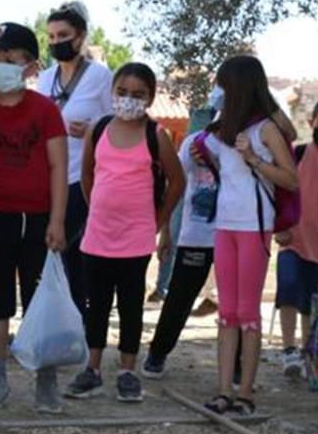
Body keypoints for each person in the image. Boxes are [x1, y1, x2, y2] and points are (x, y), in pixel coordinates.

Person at [0, 21, 69, 413]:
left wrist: (57, 220)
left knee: (41, 301)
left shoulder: (45, 110)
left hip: (38, 218)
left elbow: (58, 165)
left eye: (8, 59)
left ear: (30, 66)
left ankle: (46, 381)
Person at [65, 63, 182, 403]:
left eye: (138, 94)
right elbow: (87, 174)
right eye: (122, 92)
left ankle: (128, 371)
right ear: (112, 92)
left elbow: (177, 181)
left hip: (135, 239)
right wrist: (96, 208)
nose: (129, 100)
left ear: (150, 98)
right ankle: (93, 368)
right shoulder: (98, 129)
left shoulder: (155, 135)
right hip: (97, 235)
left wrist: (158, 221)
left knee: (131, 305)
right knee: (96, 303)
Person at [193, 55, 299, 415]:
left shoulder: (265, 127)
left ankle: (246, 392)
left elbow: (291, 178)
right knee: (228, 311)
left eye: (223, 85)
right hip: (225, 224)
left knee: (247, 311)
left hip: (255, 225)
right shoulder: (222, 127)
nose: (218, 92)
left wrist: (254, 158)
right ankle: (223, 390)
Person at [39, 1, 112, 314]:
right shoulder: (45, 78)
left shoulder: (101, 76)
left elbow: (116, 125)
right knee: (45, 256)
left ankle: (81, 325)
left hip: (80, 179)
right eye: (51, 37)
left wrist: (93, 130)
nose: (57, 42)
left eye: (63, 35)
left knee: (76, 259)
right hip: (44, 178)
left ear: (80, 36)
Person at [141, 104, 220, 378]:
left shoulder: (252, 145)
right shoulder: (191, 145)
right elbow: (176, 188)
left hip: (236, 235)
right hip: (196, 235)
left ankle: (236, 364)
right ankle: (158, 352)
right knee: (179, 296)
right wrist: (167, 233)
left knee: (234, 305)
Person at [276, 95, 318, 376]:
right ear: (311, 122)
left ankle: (309, 351)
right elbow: (279, 191)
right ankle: (289, 349)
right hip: (292, 241)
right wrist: (279, 227)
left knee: (313, 303)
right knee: (289, 289)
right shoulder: (297, 154)